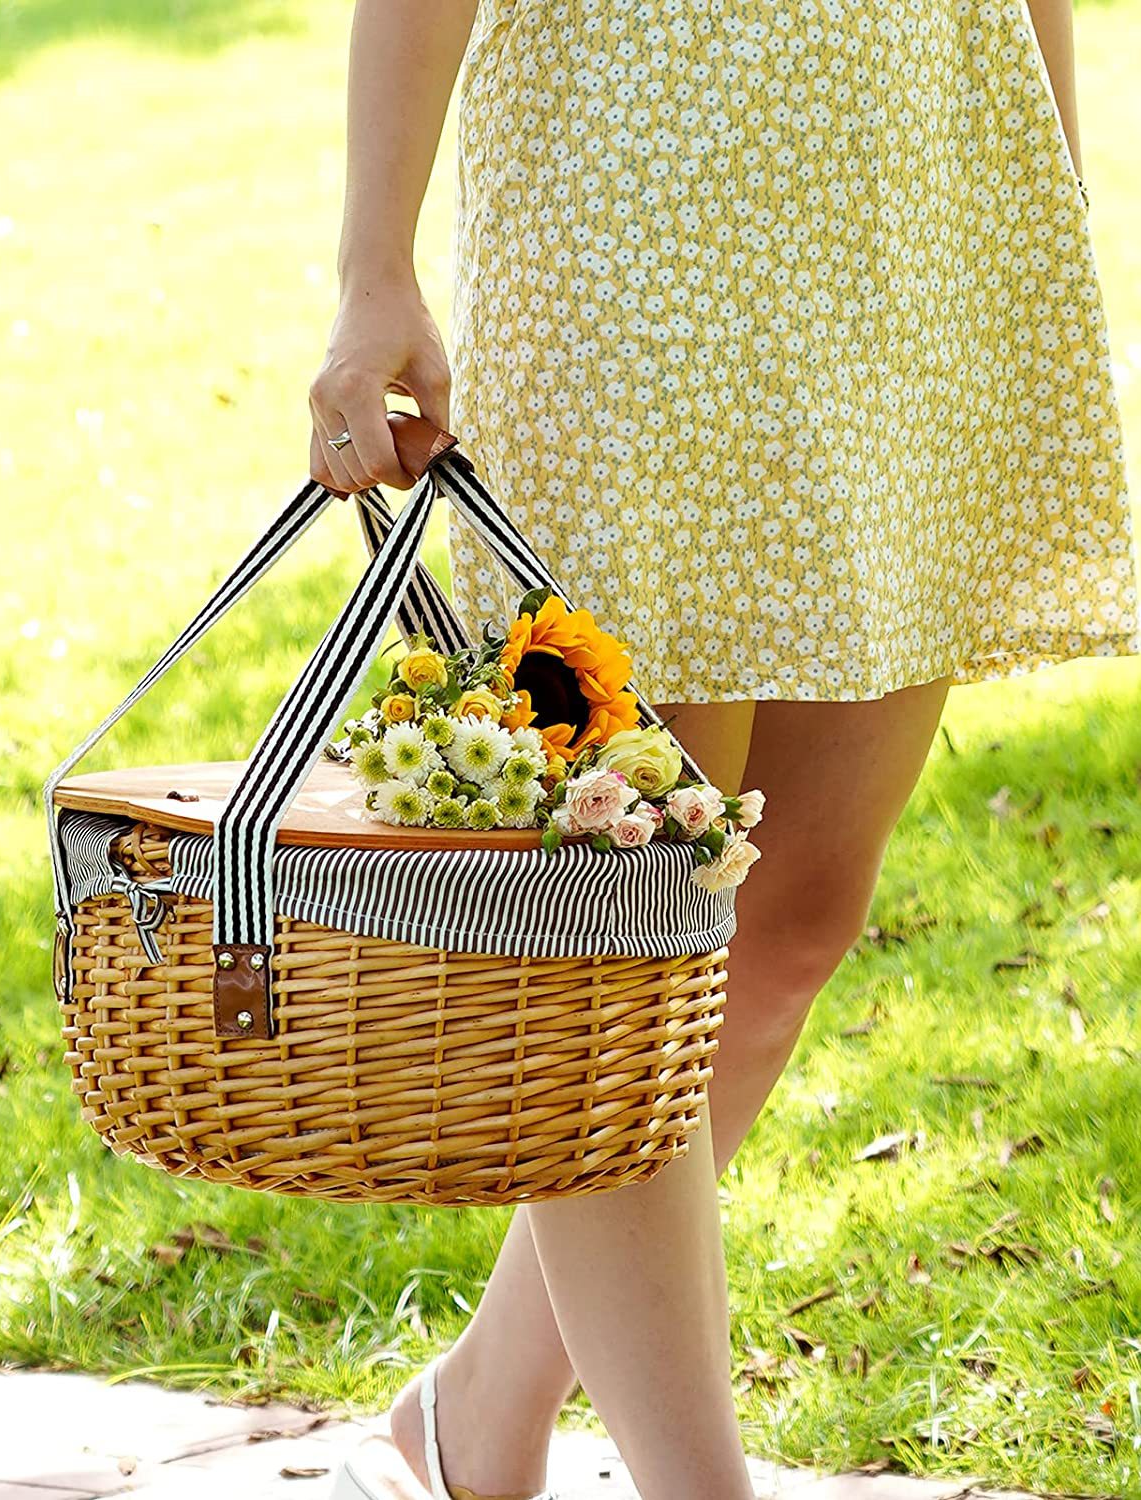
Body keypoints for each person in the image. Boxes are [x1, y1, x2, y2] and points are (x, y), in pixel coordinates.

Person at [306, 3, 1137, 1497]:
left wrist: (1045, 192)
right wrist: (375, 273)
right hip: (629, 235)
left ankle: (475, 1414)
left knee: (792, 916)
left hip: (918, 220)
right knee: (617, 932)